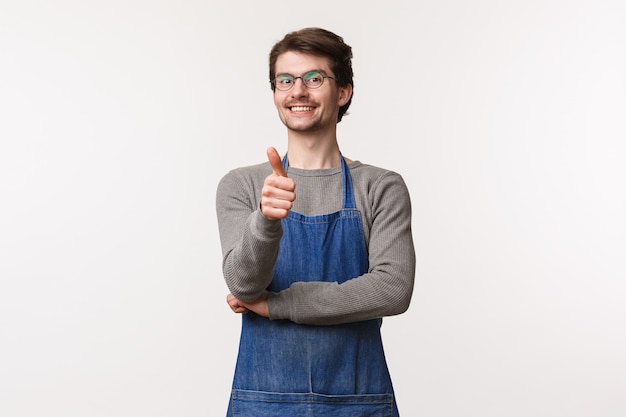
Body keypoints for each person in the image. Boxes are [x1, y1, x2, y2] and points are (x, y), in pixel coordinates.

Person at [216, 27, 416, 417]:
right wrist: (266, 221)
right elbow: (242, 283)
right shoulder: (242, 185)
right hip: (264, 404)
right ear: (275, 93)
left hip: (358, 404)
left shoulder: (380, 187)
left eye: (314, 78)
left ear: (343, 91)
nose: (298, 92)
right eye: (285, 80)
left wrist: (277, 305)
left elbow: (392, 289)